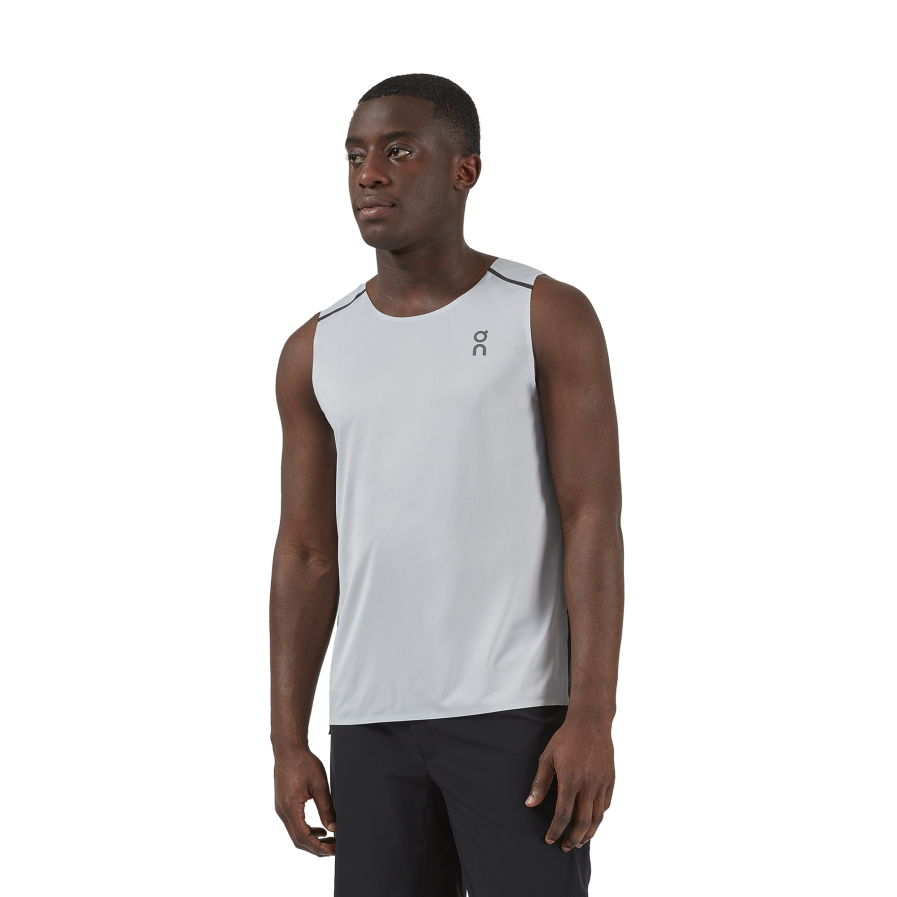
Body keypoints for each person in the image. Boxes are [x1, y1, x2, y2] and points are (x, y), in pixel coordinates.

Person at [270, 72, 624, 896]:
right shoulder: (315, 347)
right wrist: (289, 740)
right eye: (355, 155)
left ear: (465, 170)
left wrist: (591, 716)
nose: (369, 174)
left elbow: (591, 518)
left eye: (398, 151)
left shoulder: (544, 312)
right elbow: (307, 551)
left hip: (516, 712)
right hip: (371, 721)